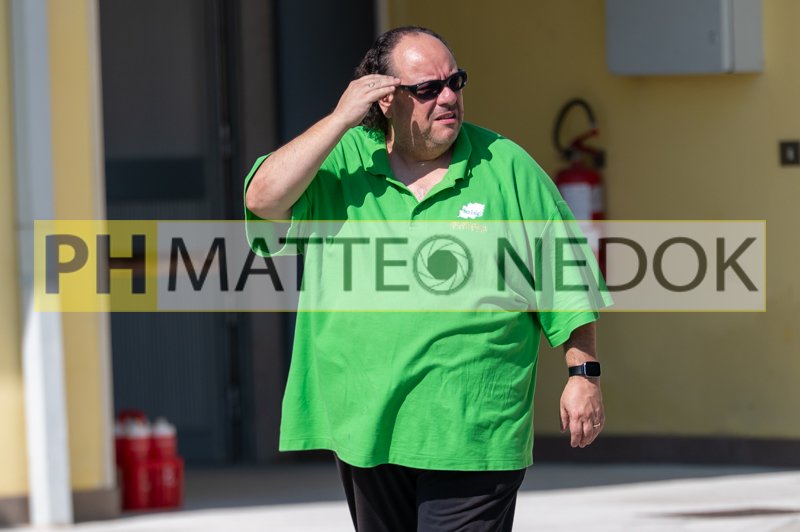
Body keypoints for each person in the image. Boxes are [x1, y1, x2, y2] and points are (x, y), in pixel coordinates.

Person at [245, 26, 609, 532]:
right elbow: (263, 199)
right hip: (366, 424)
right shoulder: (341, 162)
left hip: (475, 423)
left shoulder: (505, 166)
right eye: (428, 89)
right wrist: (339, 120)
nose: (448, 97)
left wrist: (583, 375)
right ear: (384, 98)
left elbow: (567, 279)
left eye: (455, 82)